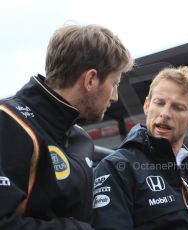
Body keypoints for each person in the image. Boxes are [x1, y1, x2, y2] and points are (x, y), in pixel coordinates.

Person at [0, 24, 133, 230]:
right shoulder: (9, 121)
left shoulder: (80, 138)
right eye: (114, 83)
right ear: (90, 79)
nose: (115, 96)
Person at [92, 66, 188, 229]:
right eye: (159, 103)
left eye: (177, 107)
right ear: (147, 105)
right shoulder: (115, 168)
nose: (165, 113)